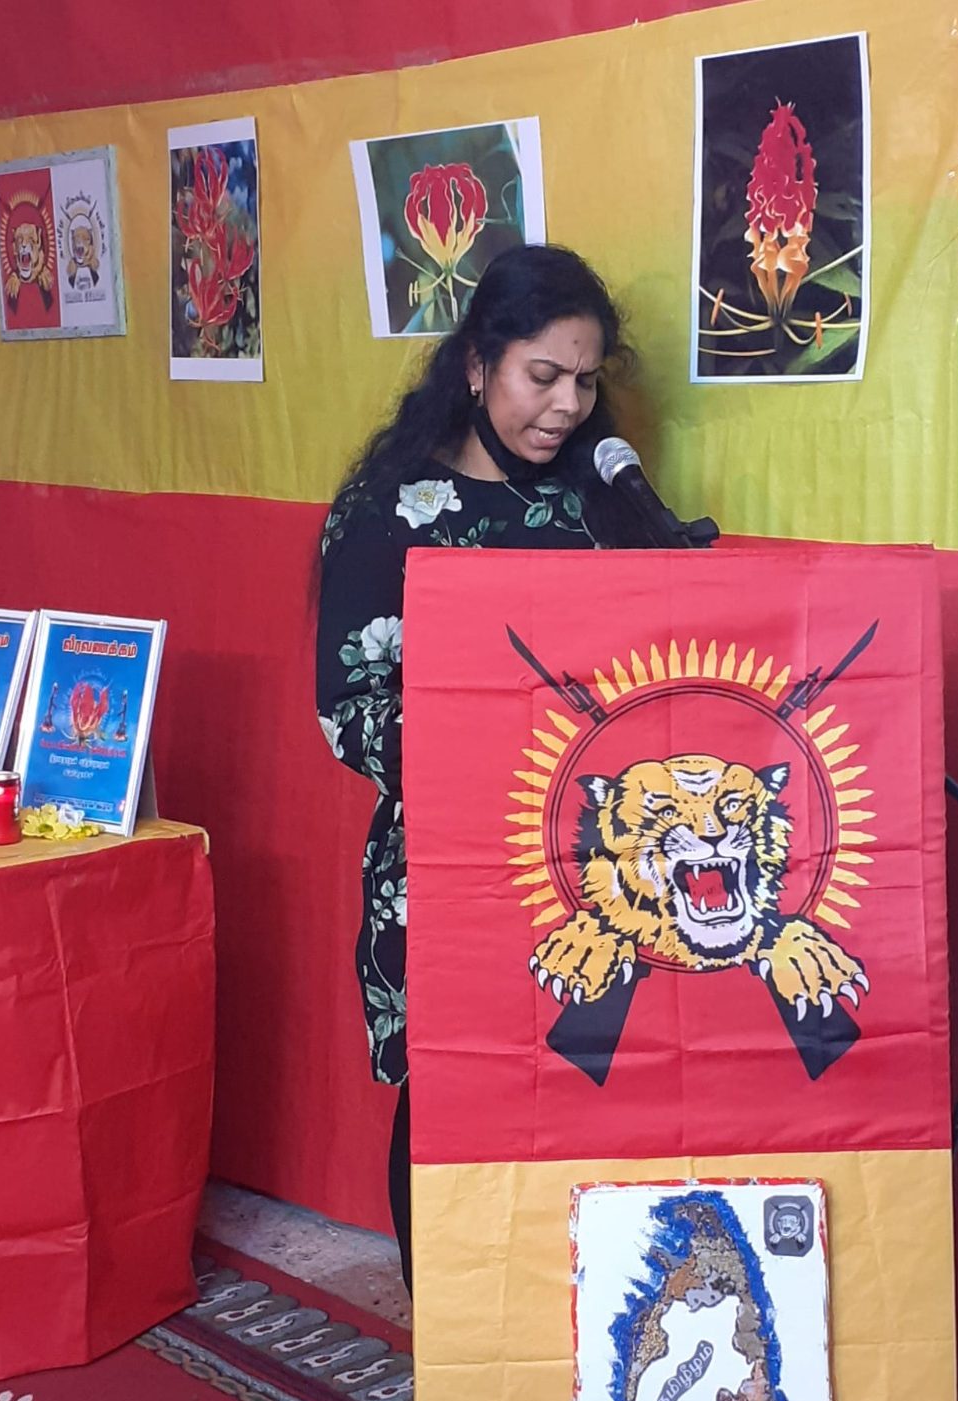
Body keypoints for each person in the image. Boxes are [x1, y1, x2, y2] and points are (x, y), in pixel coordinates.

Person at [316, 244, 659, 1291]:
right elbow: (348, 711)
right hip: (450, 866)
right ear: (476, 365)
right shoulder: (389, 508)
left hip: (598, 872)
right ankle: (452, 1338)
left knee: (594, 1088)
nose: (566, 407)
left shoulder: (604, 502)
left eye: (585, 382)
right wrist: (497, 759)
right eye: (542, 376)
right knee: (451, 1104)